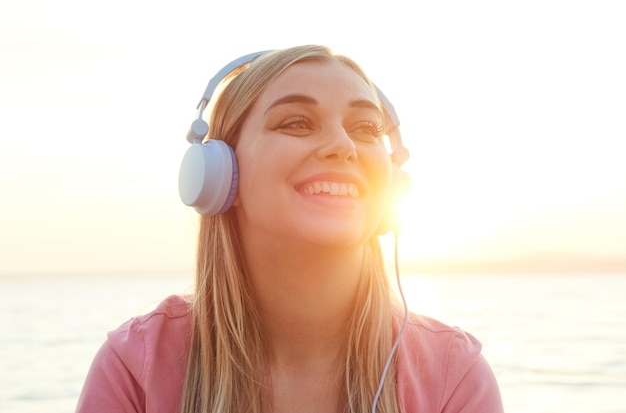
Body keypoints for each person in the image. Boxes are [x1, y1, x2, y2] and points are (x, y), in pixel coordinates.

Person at [75, 45, 504, 413]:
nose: (343, 145)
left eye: (366, 128)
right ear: (222, 175)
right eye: (296, 122)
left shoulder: (452, 373)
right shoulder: (136, 365)